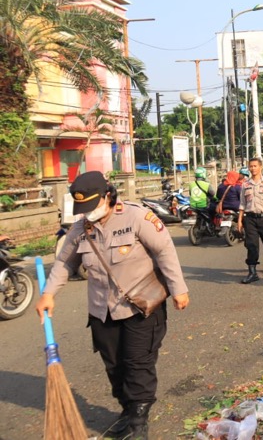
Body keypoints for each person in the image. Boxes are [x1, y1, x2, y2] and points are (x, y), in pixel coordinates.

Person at [36, 171, 189, 439]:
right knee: (114, 367)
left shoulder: (137, 216)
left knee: (137, 364)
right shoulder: (79, 228)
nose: (87, 214)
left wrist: (179, 289)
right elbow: (64, 263)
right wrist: (48, 293)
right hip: (101, 311)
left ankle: (139, 424)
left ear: (108, 196)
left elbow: (165, 250)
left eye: (92, 206)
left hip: (140, 308)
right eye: (82, 209)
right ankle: (128, 410)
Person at [188, 167, 216, 234]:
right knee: (214, 211)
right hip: (203, 205)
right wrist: (216, 199)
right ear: (203, 174)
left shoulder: (191, 184)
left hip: (192, 206)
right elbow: (213, 194)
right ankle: (212, 225)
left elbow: (190, 193)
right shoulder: (207, 185)